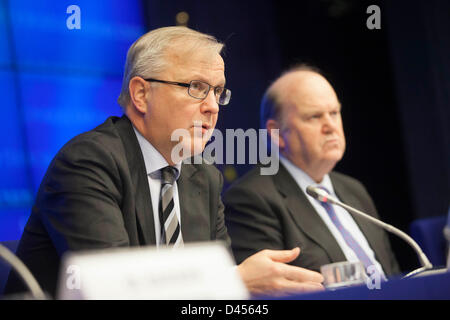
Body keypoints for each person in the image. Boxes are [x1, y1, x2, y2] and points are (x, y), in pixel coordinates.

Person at [4, 27, 323, 298]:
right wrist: (233, 281)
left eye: (218, 92)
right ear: (141, 94)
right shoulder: (88, 162)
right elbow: (113, 290)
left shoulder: (204, 176)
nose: (213, 106)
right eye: (197, 88)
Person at [224, 65, 401, 279]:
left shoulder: (354, 190)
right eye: (314, 117)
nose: (331, 126)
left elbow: (392, 274)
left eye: (334, 113)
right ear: (277, 133)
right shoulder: (252, 200)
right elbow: (272, 290)